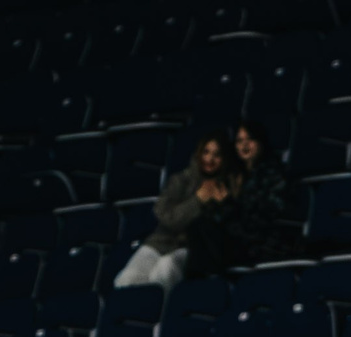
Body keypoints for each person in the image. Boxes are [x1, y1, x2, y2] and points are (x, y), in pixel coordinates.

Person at [114, 132, 233, 291]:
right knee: (125, 280)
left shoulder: (226, 187)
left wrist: (221, 202)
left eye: (217, 155)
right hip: (160, 242)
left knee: (165, 270)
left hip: (190, 249)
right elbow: (166, 217)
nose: (210, 159)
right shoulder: (181, 180)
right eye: (206, 152)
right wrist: (197, 201)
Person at [196, 119, 294, 274]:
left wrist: (226, 203)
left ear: (261, 142)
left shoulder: (275, 174)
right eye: (239, 141)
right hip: (236, 240)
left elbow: (261, 219)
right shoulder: (234, 176)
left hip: (262, 243)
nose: (244, 145)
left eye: (250, 139)